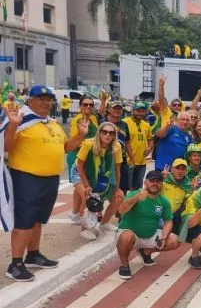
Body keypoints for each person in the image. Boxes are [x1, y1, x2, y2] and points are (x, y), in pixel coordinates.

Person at [4, 86, 87, 281]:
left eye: (49, 99)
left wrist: (80, 135)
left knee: (38, 219)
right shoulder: (21, 121)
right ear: (30, 100)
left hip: (50, 179)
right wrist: (13, 126)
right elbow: (6, 147)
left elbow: (65, 147)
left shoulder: (52, 124)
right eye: (41, 98)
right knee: (24, 221)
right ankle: (15, 263)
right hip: (27, 178)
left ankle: (33, 254)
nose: (46, 102)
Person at [115, 170, 179, 280]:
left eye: (159, 181)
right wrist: (135, 199)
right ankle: (124, 265)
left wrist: (164, 235)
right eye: (152, 181)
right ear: (145, 182)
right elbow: (121, 211)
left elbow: (168, 221)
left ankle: (145, 252)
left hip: (150, 235)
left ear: (162, 184)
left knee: (174, 240)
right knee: (126, 237)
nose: (155, 184)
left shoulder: (164, 201)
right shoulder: (134, 194)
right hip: (131, 233)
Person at [74, 121, 125, 240]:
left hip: (101, 173)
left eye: (111, 133)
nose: (108, 135)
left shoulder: (116, 147)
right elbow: (80, 166)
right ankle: (84, 229)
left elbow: (117, 169)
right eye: (105, 132)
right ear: (99, 133)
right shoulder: (88, 144)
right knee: (89, 198)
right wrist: (86, 185)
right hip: (80, 172)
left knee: (118, 198)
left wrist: (117, 189)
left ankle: (104, 223)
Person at [122, 101, 153, 191]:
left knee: (137, 190)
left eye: (142, 111)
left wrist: (149, 148)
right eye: (138, 111)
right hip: (127, 163)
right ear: (133, 111)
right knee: (124, 189)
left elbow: (150, 140)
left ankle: (135, 205)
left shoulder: (146, 125)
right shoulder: (124, 122)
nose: (140, 113)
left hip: (142, 163)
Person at [161, 158, 190, 233]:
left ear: (186, 171)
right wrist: (160, 179)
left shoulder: (187, 186)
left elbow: (187, 204)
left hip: (175, 218)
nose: (180, 171)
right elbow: (151, 193)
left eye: (183, 169)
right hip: (160, 215)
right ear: (172, 169)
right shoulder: (164, 181)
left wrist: (192, 192)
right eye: (177, 168)